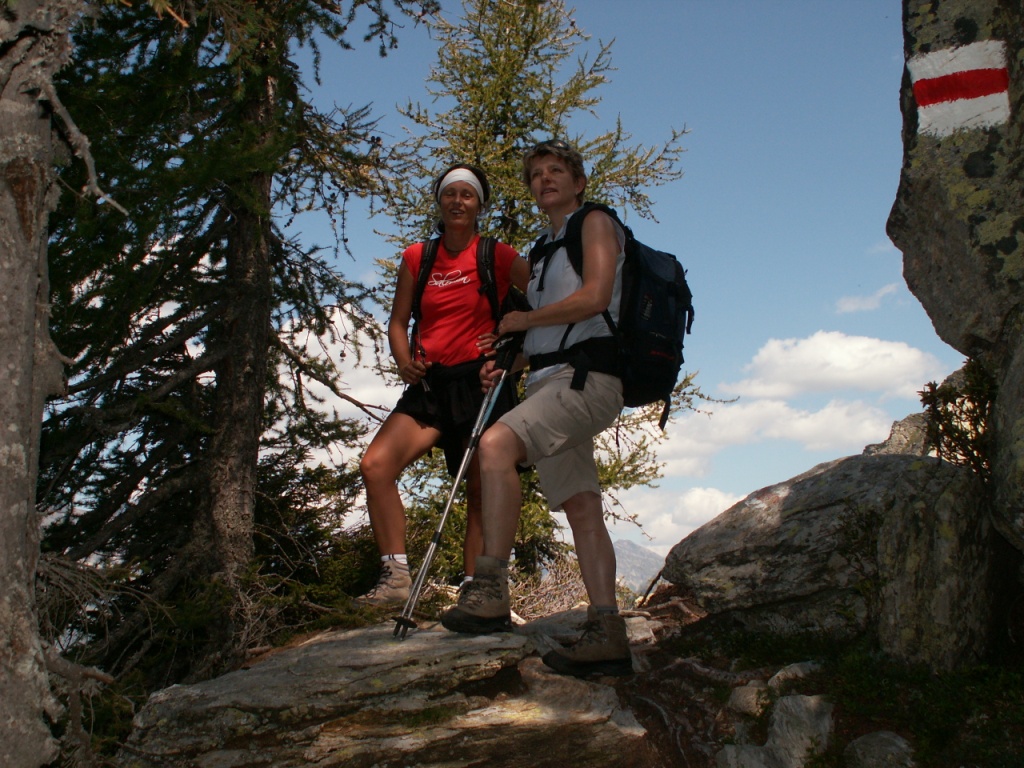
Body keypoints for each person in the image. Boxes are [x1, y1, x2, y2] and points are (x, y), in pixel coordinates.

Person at [441, 140, 632, 677]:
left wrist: (524, 320)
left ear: (578, 183)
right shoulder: (545, 248)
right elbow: (556, 332)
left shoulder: (595, 223)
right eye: (536, 174)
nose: (544, 179)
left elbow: (596, 297)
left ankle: (490, 590)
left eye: (556, 171)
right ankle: (608, 632)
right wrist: (512, 362)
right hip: (553, 381)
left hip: (588, 380)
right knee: (581, 505)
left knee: (496, 444)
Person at [355, 163, 530, 606]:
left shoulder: (498, 255)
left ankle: (475, 591)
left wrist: (514, 351)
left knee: (480, 490)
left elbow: (544, 301)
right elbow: (398, 321)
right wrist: (403, 361)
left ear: (479, 206)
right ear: (439, 201)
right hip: (430, 384)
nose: (457, 201)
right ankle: (395, 579)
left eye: (467, 195)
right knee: (376, 465)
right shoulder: (418, 257)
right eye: (450, 193)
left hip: (482, 383)